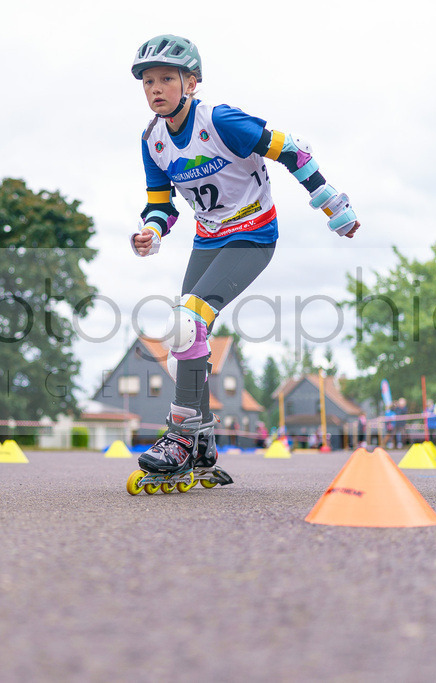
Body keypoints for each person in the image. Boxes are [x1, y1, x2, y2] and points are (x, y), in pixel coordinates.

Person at [130, 35, 359, 480]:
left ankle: (180, 436)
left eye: (166, 79)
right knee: (188, 334)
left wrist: (330, 201)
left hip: (253, 234)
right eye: (148, 82)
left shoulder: (220, 121)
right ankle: (201, 443)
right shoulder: (153, 141)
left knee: (187, 320)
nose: (155, 89)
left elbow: (293, 150)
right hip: (208, 239)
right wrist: (151, 231)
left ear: (191, 83)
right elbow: (161, 204)